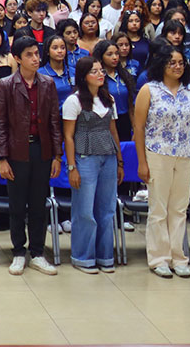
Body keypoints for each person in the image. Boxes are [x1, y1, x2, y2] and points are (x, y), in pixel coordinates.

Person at [133, 45, 190, 279]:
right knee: (159, 209)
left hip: (185, 155)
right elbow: (139, 127)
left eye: (181, 62)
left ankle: (179, 257)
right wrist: (142, 162)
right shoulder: (149, 89)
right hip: (157, 153)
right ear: (161, 64)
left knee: (179, 209)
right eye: (172, 62)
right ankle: (159, 258)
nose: (177, 66)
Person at [0, 37, 61, 276]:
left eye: (37, 53)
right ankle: (18, 252)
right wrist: (2, 158)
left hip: (41, 150)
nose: (36, 58)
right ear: (17, 58)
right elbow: (0, 124)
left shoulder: (48, 83)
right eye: (30, 54)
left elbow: (54, 121)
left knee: (38, 204)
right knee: (17, 205)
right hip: (16, 151)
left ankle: (38, 252)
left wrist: (57, 155)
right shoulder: (6, 84)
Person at [63, 56, 122, 274]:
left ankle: (105, 256)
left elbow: (113, 131)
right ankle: (83, 257)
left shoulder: (109, 99)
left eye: (101, 71)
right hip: (85, 158)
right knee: (85, 211)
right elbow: (68, 137)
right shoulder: (74, 101)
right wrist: (72, 167)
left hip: (108, 157)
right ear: (83, 76)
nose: (100, 74)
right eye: (94, 71)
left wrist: (120, 162)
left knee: (106, 210)